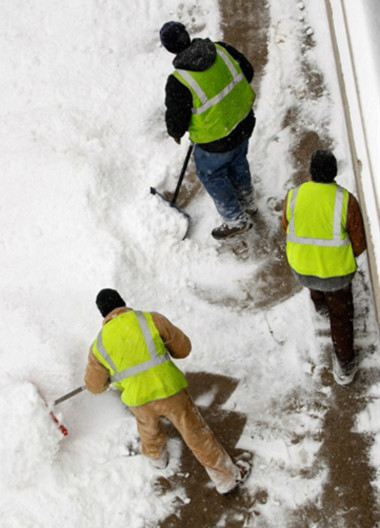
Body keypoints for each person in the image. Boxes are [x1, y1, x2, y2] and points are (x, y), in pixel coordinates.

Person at [84, 288, 249, 494]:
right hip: (169, 390)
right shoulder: (149, 319)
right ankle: (225, 478)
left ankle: (157, 460)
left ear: (103, 314)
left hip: (139, 400)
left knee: (149, 431)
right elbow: (183, 349)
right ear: (122, 302)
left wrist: (110, 374)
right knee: (196, 434)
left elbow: (94, 386)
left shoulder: (99, 345)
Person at [160, 21, 257, 241]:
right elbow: (248, 72)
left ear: (170, 49)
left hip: (216, 140)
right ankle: (249, 201)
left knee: (212, 174)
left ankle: (235, 219)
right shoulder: (221, 49)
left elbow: (177, 122)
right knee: (238, 160)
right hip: (243, 124)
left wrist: (175, 133)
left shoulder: (179, 82)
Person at [281, 150, 367, 386]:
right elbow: (359, 244)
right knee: (341, 317)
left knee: (314, 280)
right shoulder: (346, 201)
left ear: (310, 172)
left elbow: (286, 227)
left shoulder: (294, 195)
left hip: (301, 269)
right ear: (334, 174)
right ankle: (345, 365)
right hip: (337, 275)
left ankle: (320, 305)